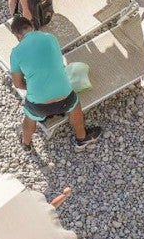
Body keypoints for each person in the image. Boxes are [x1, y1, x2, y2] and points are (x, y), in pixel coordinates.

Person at [8, 15, 102, 150]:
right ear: (32, 27)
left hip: (38, 105)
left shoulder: (15, 53)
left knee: (30, 116)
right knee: (75, 107)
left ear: (17, 36)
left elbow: (17, 84)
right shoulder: (50, 38)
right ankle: (82, 139)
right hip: (65, 98)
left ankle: (26, 143)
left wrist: (33, 86)